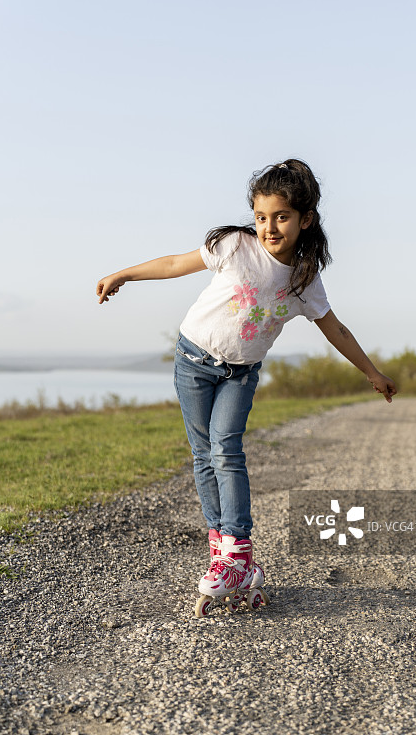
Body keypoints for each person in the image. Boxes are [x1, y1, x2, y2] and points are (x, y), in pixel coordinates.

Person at [96, 159, 397, 609]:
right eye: (261, 217)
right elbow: (177, 262)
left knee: (225, 450)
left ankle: (236, 550)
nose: (269, 227)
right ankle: (226, 554)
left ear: (304, 219)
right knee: (203, 457)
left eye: (281, 217)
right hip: (191, 362)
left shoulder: (303, 278)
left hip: (240, 373)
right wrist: (124, 274)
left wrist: (372, 372)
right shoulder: (234, 245)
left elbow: (336, 330)